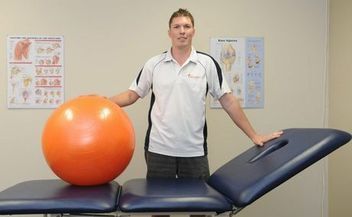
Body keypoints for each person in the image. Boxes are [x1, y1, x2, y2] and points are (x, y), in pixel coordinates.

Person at [109, 8, 282, 216]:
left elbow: (228, 101)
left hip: (194, 152)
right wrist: (102, 102)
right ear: (169, 32)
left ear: (193, 31)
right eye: (177, 27)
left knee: (200, 210)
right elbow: (131, 95)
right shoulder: (154, 64)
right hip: (158, 150)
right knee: (158, 209)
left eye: (186, 26)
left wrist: (254, 135)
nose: (182, 31)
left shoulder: (206, 64)